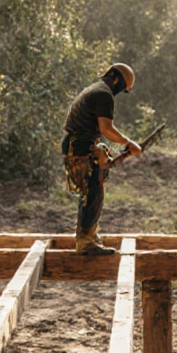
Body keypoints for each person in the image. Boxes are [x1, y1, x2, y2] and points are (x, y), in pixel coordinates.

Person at [62, 63, 143, 255]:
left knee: (92, 191)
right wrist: (129, 143)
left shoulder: (95, 89)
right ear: (115, 78)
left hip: (78, 144)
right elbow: (106, 128)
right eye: (122, 88)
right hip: (80, 146)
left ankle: (88, 238)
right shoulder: (103, 94)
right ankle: (86, 243)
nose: (119, 92)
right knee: (93, 192)